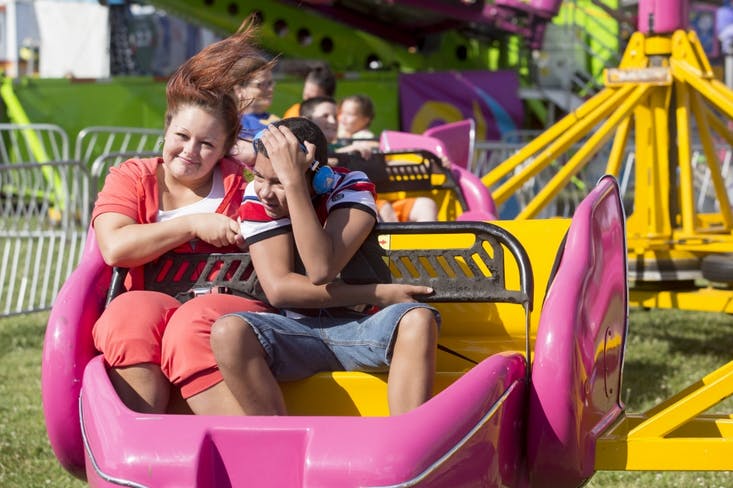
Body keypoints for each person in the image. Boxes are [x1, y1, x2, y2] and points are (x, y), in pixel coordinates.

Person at [91, 18, 272, 414]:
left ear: (226, 147)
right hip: (151, 305)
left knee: (193, 325)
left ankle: (241, 457)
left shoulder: (245, 188)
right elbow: (116, 247)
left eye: (207, 144)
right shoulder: (132, 177)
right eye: (182, 137)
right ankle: (145, 453)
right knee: (127, 316)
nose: (190, 151)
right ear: (166, 127)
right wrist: (192, 225)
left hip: (227, 307)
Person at [208, 117, 440, 416]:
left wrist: (294, 184)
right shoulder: (259, 195)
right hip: (295, 333)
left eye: (277, 180)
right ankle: (277, 443)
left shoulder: (351, 185)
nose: (264, 191)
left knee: (418, 319)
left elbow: (321, 268)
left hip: (363, 331)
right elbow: (280, 289)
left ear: (318, 177)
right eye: (260, 177)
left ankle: (409, 445)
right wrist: (377, 293)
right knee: (228, 332)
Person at [302, 96, 437, 223]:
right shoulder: (306, 149)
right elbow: (326, 161)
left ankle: (430, 248)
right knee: (383, 209)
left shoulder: (349, 143)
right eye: (325, 116)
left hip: (373, 195)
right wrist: (347, 151)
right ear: (307, 120)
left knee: (426, 204)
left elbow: (387, 164)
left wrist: (431, 164)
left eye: (334, 116)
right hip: (344, 202)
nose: (333, 121)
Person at [230, 55, 281, 165]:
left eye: (270, 83)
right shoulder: (232, 123)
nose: (270, 89)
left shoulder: (276, 120)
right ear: (239, 90)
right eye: (261, 85)